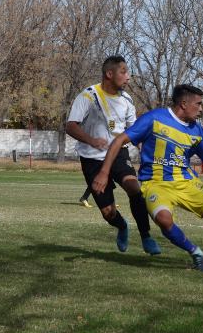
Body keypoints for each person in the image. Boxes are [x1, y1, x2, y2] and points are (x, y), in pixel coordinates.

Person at [92, 84, 203, 271]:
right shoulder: (155, 119)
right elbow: (119, 140)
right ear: (184, 104)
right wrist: (104, 173)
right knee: (164, 220)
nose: (201, 109)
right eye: (199, 104)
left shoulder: (197, 131)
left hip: (185, 182)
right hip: (155, 184)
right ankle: (196, 253)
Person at [66, 55, 161, 255]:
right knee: (108, 212)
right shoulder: (88, 97)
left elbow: (134, 131)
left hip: (118, 153)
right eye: (124, 72)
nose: (128, 77)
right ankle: (122, 226)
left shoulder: (126, 100)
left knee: (133, 186)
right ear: (110, 74)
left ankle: (146, 235)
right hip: (92, 159)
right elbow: (70, 126)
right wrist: (91, 140)